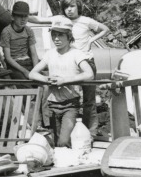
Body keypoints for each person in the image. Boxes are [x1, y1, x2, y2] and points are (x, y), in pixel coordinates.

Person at [29, 16, 94, 147]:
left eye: (60, 35)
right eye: (54, 35)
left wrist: (65, 80)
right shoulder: (50, 54)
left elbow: (90, 74)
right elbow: (32, 74)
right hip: (52, 105)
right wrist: (47, 79)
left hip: (70, 106)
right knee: (53, 143)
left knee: (64, 142)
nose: (56, 39)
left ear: (69, 36)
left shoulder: (77, 54)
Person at [60, 0, 110, 138]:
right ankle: (72, 133)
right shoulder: (62, 21)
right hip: (71, 63)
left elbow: (105, 29)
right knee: (70, 99)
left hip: (87, 62)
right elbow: (39, 19)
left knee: (89, 101)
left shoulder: (86, 21)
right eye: (66, 7)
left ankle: (91, 133)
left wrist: (90, 40)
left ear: (78, 7)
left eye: (72, 6)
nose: (69, 10)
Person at [0, 1, 39, 80]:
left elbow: (34, 53)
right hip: (14, 65)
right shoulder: (7, 32)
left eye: (25, 16)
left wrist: (35, 70)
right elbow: (8, 58)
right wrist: (24, 71)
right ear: (12, 17)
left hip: (28, 61)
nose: (23, 19)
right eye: (20, 16)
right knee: (25, 84)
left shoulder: (28, 30)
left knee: (43, 79)